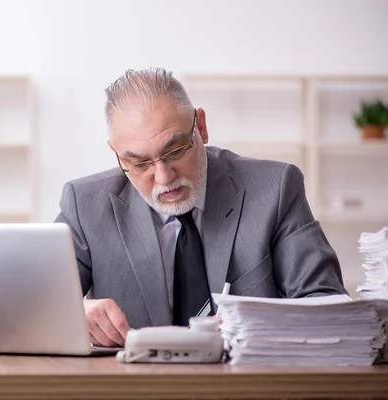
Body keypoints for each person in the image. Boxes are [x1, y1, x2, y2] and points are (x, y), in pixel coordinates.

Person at [55, 67, 347, 348]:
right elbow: (25, 306)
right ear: (117, 156)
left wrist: (259, 323)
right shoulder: (84, 206)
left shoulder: (276, 189)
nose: (163, 177)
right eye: (139, 163)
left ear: (202, 127)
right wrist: (73, 312)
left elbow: (326, 303)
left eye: (175, 150)